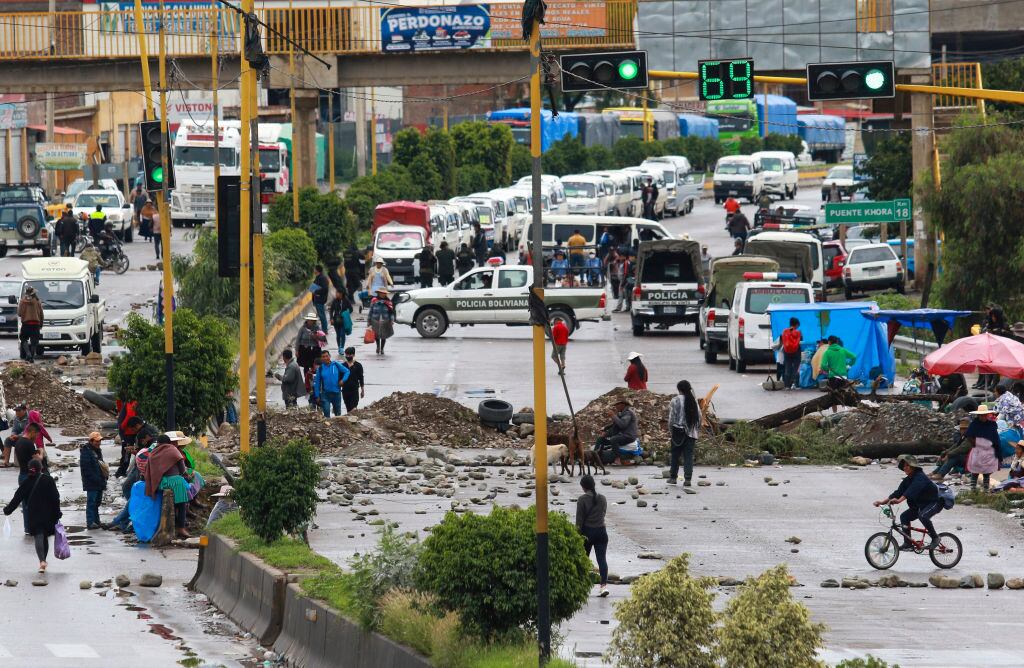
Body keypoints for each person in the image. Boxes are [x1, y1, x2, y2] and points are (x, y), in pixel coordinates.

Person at [4, 458, 61, 573]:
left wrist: (8, 510)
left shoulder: (27, 481)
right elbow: (55, 498)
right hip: (49, 514)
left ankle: (42, 561)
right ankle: (43, 560)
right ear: (41, 468)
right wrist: (57, 513)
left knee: (38, 536)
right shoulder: (48, 480)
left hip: (34, 514)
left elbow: (17, 498)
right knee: (44, 537)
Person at [873, 454, 942, 550]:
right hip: (920, 505)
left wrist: (899, 500)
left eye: (907, 466)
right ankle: (908, 543)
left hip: (934, 502)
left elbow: (912, 491)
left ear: (913, 467)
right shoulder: (907, 480)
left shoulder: (920, 477)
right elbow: (898, 492)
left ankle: (935, 537)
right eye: (904, 466)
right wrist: (882, 502)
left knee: (923, 516)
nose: (905, 468)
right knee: (904, 517)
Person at [143, 434, 192, 539]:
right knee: (182, 503)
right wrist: (187, 477)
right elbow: (183, 471)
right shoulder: (173, 450)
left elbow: (148, 471)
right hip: (174, 482)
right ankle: (181, 528)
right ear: (169, 443)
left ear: (158, 443)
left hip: (159, 483)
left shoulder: (153, 453)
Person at [575, 474, 609, 597]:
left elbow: (579, 521)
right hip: (601, 532)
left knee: (583, 561)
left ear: (584, 487)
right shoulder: (603, 498)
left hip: (587, 533)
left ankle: (581, 587)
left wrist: (576, 536)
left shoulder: (582, 500)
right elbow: (603, 514)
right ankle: (603, 586)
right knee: (602, 560)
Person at [668, 380, 701, 486]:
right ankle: (688, 479)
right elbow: (699, 418)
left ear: (679, 389)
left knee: (675, 455)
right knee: (688, 456)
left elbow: (671, 418)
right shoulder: (693, 400)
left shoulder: (675, 400)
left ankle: (673, 477)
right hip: (691, 432)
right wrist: (696, 429)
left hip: (678, 431)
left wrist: (671, 431)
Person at [965, 406, 1000, 491]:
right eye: (981, 415)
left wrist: (997, 451)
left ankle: (986, 490)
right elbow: (969, 436)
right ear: (978, 416)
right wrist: (977, 444)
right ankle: (973, 489)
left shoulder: (992, 425)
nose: (983, 417)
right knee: (975, 471)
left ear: (987, 415)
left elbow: (995, 438)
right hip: (977, 450)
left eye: (985, 415)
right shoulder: (974, 424)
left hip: (989, 451)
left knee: (987, 471)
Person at [80, 431, 107, 530]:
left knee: (97, 502)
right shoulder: (86, 452)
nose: (98, 443)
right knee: (91, 502)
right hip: (91, 482)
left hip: (99, 480)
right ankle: (90, 522)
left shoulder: (97, 450)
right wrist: (97, 479)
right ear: (91, 441)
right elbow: (86, 470)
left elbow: (101, 464)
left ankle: (96, 521)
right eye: (96, 441)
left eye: (99, 441)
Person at [313, 349, 350, 418]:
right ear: (321, 358)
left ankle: (337, 428)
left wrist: (343, 380)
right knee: (326, 413)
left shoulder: (336, 364)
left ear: (329, 356)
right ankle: (328, 428)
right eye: (323, 357)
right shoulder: (320, 369)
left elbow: (347, 371)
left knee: (337, 414)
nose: (325, 358)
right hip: (325, 394)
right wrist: (317, 395)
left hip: (336, 393)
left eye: (326, 356)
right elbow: (317, 383)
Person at [18, 286, 43, 363]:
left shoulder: (22, 302)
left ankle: (28, 354)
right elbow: (41, 314)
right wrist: (41, 324)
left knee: (23, 339)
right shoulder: (38, 301)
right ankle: (31, 357)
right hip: (36, 324)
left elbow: (19, 314)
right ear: (34, 293)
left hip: (26, 324)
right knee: (34, 342)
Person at [368, 287, 395, 356]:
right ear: (379, 293)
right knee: (377, 335)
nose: (383, 294)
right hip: (375, 320)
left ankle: (382, 349)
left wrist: (392, 320)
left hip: (385, 320)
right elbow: (370, 311)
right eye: (381, 293)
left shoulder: (388, 302)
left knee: (384, 336)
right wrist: (369, 321)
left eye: (384, 293)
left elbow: (391, 312)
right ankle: (378, 347)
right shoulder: (374, 300)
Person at [2, 403, 28, 468]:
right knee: (8, 440)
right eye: (16, 411)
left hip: (27, 438)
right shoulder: (16, 417)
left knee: (18, 465)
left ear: (24, 410)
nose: (17, 412)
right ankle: (6, 462)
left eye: (19, 411)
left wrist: (18, 436)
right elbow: (14, 429)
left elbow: (27, 431)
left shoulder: (29, 417)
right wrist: (13, 435)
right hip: (18, 437)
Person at [780, 317, 802, 390]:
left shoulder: (784, 331)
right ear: (796, 325)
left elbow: (783, 340)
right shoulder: (798, 332)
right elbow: (800, 341)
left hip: (787, 352)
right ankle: (796, 385)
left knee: (787, 368)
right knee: (796, 368)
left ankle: (787, 386)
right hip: (796, 352)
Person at [329, 290, 353, 355]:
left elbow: (351, 309)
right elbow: (331, 310)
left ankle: (342, 347)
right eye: (336, 292)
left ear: (341, 293)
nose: (336, 294)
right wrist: (331, 318)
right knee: (338, 335)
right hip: (336, 320)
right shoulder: (334, 301)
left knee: (342, 334)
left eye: (338, 293)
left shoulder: (346, 300)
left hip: (343, 320)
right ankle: (339, 347)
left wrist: (346, 314)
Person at [341, 347, 365, 413]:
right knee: (348, 408)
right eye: (346, 355)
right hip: (345, 390)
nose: (348, 356)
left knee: (354, 408)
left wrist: (362, 390)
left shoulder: (358, 365)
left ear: (353, 355)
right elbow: (340, 378)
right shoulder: (342, 366)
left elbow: (361, 378)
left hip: (354, 390)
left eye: (349, 355)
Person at [311, 265, 331, 333]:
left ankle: (324, 330)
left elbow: (325, 289)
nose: (313, 270)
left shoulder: (322, 278)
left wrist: (316, 291)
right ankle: (323, 329)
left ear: (317, 270)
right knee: (320, 315)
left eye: (314, 269)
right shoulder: (318, 277)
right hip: (317, 299)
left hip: (320, 299)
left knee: (322, 316)